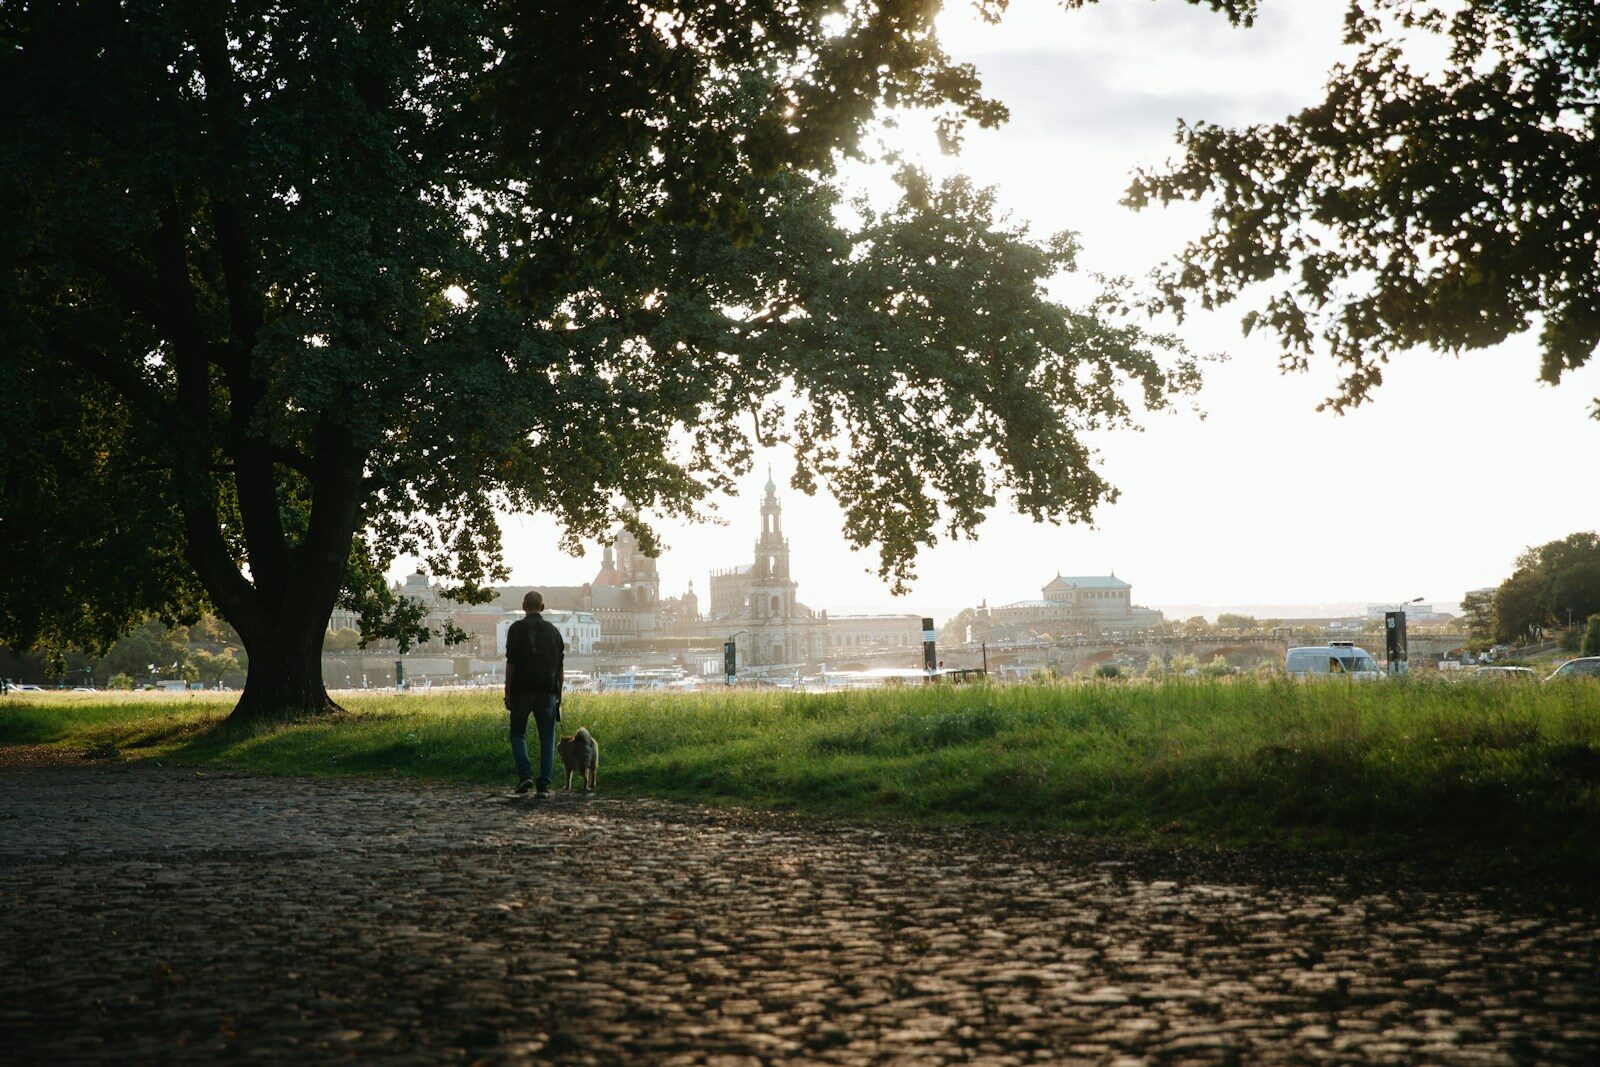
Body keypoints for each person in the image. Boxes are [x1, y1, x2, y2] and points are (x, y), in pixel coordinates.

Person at [503, 590, 564, 797]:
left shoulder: (516, 629)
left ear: (523, 607)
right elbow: (560, 666)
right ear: (543, 607)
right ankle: (544, 786)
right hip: (547, 690)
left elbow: (511, 662)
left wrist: (508, 691)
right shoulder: (553, 630)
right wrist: (559, 692)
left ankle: (525, 775)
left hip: (521, 690)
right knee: (547, 739)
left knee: (517, 733)